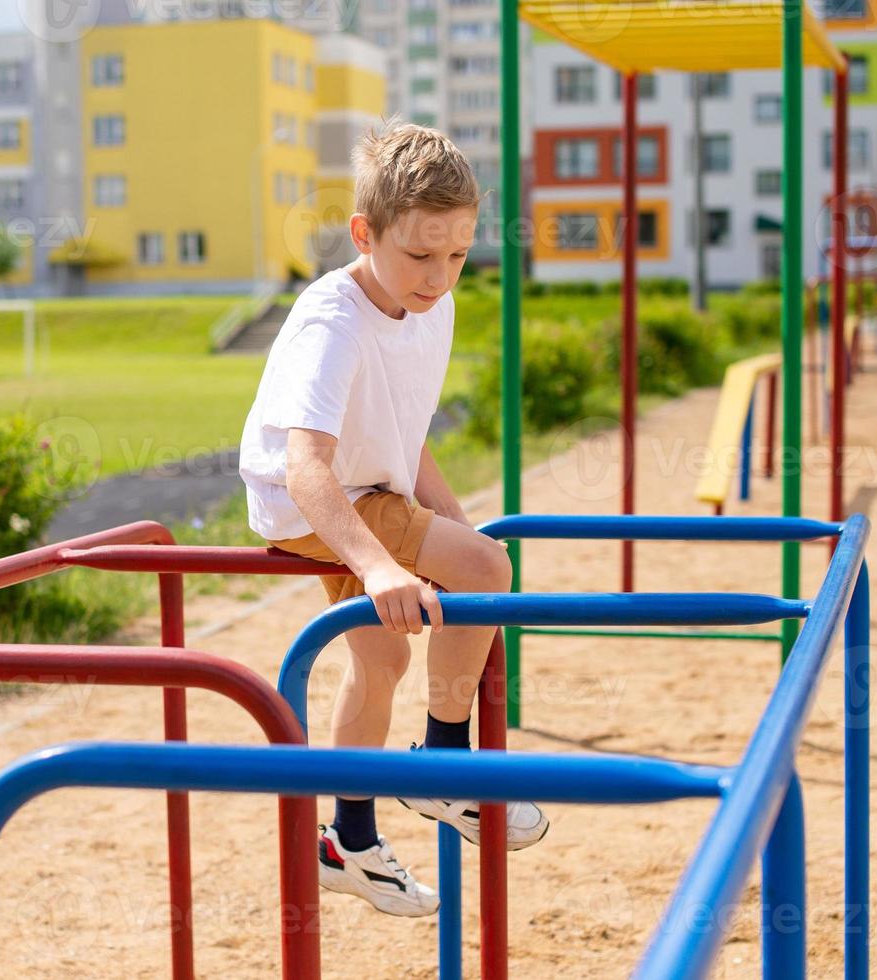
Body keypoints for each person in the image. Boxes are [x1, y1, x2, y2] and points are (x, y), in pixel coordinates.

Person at [238, 121, 547, 918]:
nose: (439, 276)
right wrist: (380, 564)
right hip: (316, 496)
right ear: (363, 234)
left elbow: (404, 433)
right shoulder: (330, 321)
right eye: (419, 255)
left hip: (364, 488)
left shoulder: (427, 304)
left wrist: (447, 515)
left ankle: (348, 839)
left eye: (457, 255)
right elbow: (305, 464)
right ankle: (444, 769)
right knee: (485, 571)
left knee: (380, 667)